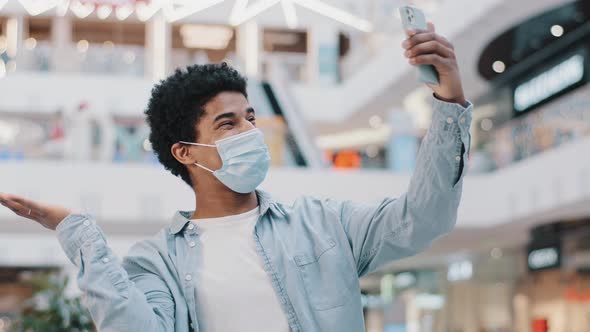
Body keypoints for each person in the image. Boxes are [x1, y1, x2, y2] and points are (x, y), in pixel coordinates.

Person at [0, 23, 473, 332]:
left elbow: (424, 219)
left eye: (250, 117)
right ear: (186, 152)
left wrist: (449, 103)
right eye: (228, 124)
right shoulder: (156, 262)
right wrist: (79, 235)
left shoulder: (324, 224)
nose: (251, 131)